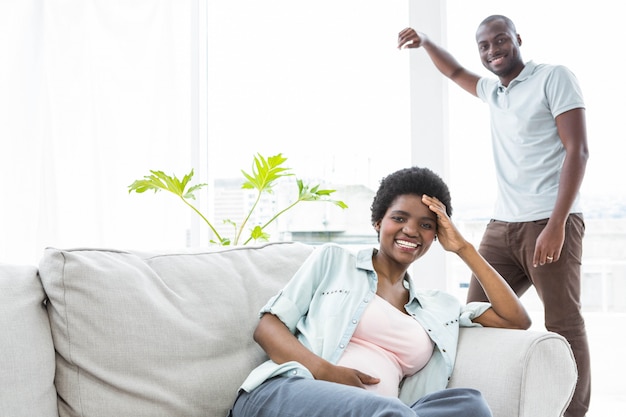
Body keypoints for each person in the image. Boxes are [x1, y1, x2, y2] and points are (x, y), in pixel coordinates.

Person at [398, 15, 590, 417]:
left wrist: (556, 225)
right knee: (476, 317)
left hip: (550, 222)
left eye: (500, 41)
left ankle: (572, 413)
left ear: (517, 39)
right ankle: (487, 402)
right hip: (502, 225)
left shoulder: (553, 77)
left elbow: (578, 150)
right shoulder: (495, 92)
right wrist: (427, 40)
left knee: (564, 324)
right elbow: (453, 71)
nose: (493, 50)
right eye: (484, 46)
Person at [229, 166, 531, 417]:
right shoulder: (334, 261)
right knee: (388, 412)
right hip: (291, 393)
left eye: (426, 225)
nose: (411, 230)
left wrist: (463, 248)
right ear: (378, 222)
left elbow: (515, 319)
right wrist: (327, 372)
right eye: (399, 218)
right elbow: (267, 328)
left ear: (436, 235)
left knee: (471, 405)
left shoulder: (439, 309)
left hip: (389, 411)